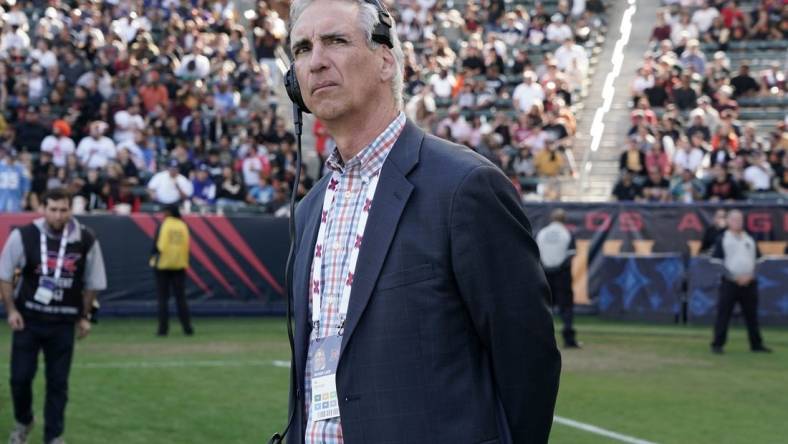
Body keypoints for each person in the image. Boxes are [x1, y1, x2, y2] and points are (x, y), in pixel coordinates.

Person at [285, 1, 560, 443]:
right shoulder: (309, 209)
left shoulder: (465, 187)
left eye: (335, 41)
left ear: (386, 60)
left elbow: (528, 360)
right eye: (301, 48)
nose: (316, 61)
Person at [0, 188, 106, 444]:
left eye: (64, 210)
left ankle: (54, 435)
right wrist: (11, 310)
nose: (59, 215)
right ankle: (24, 421)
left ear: (71, 210)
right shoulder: (24, 235)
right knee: (19, 379)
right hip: (28, 320)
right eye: (53, 210)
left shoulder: (86, 239)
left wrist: (84, 316)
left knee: (58, 383)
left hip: (63, 323)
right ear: (43, 209)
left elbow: (93, 282)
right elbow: (4, 274)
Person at [710, 210, 771, 354]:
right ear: (729, 221)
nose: (738, 222)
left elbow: (759, 261)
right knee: (724, 314)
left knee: (752, 315)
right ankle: (717, 344)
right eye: (735, 220)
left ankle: (756, 344)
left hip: (749, 282)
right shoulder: (722, 238)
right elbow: (717, 262)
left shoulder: (749, 238)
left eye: (740, 220)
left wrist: (751, 275)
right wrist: (734, 277)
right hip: (730, 282)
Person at [536, 209, 580, 348]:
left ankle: (541, 339)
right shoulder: (567, 234)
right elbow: (571, 255)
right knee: (566, 307)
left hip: (544, 274)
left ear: (551, 218)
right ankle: (568, 340)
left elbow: (535, 253)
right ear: (564, 219)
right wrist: (559, 267)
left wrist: (546, 267)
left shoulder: (542, 233)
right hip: (562, 275)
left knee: (544, 307)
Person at [150, 205, 193, 336]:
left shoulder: (164, 225)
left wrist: (153, 258)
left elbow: (158, 246)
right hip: (179, 265)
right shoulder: (183, 225)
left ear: (168, 212)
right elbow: (187, 245)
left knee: (163, 299)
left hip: (163, 265)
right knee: (181, 298)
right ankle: (187, 328)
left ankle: (163, 330)